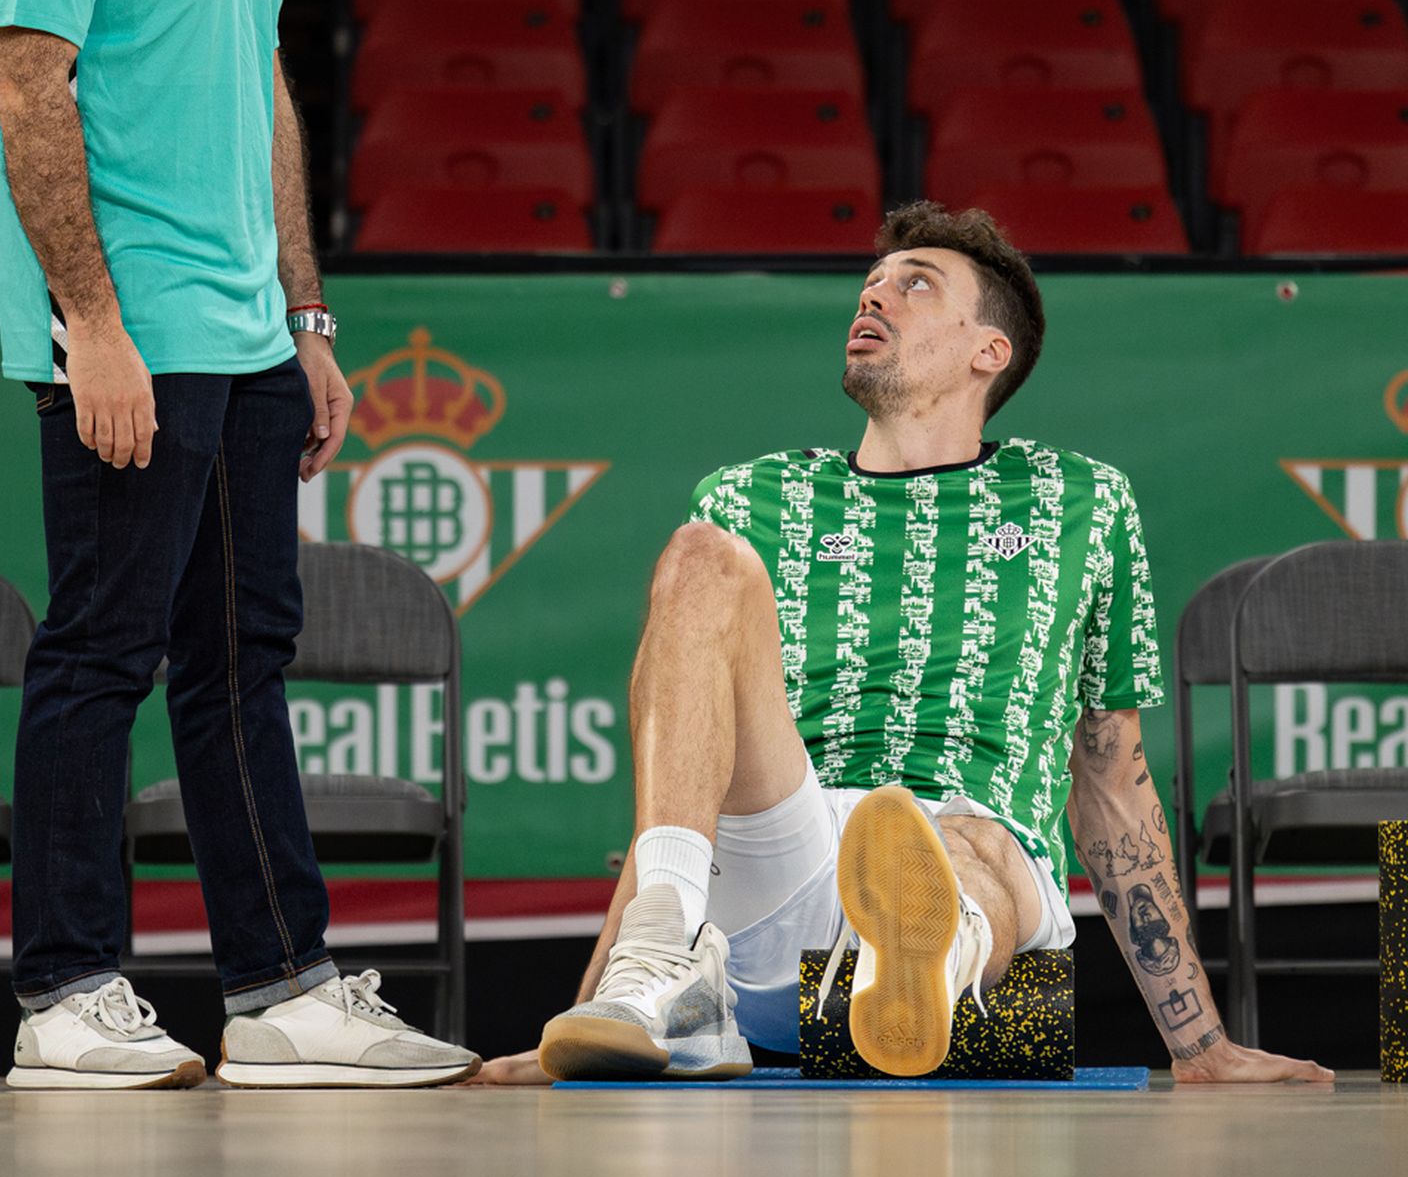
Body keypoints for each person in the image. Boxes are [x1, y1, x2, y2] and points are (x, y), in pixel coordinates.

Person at [0, 0, 478, 1091]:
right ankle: (67, 992)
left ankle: (278, 992)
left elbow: (264, 88)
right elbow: (26, 83)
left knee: (239, 662)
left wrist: (309, 316)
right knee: (101, 653)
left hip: (252, 340)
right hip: (130, 342)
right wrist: (92, 325)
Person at [477, 202, 1330, 1089]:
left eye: (914, 285)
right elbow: (678, 792)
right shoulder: (752, 494)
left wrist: (1200, 1046)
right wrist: (569, 1031)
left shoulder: (1080, 498)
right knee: (700, 558)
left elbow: (1112, 782)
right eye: (871, 285)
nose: (874, 299)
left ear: (987, 352)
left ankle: (928, 955)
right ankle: (658, 971)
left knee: (971, 834)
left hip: (981, 862)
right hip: (786, 853)